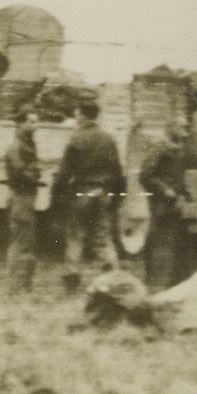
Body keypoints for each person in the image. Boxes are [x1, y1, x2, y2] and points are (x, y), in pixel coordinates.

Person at [51, 97, 127, 295]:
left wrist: (55, 196)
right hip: (103, 194)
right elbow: (118, 172)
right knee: (103, 238)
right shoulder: (109, 139)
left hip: (81, 194)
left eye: (76, 114)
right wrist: (116, 198)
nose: (75, 117)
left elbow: (63, 174)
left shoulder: (76, 139)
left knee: (75, 237)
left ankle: (72, 281)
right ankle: (114, 279)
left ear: (83, 115)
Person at [139, 119, 190, 291]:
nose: (185, 130)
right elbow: (145, 175)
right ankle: (155, 281)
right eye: (181, 127)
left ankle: (164, 280)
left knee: (168, 240)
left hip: (173, 203)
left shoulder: (179, 148)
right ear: (170, 128)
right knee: (158, 239)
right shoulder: (160, 148)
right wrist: (164, 190)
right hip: (161, 202)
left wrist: (184, 194)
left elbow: (178, 175)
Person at [4, 106, 42, 294]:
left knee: (26, 242)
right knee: (21, 243)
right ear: (20, 124)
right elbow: (22, 172)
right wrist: (35, 175)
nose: (36, 125)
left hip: (26, 198)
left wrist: (34, 172)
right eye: (32, 121)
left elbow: (31, 169)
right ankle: (15, 286)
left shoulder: (27, 144)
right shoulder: (16, 147)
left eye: (36, 121)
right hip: (21, 198)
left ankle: (23, 284)